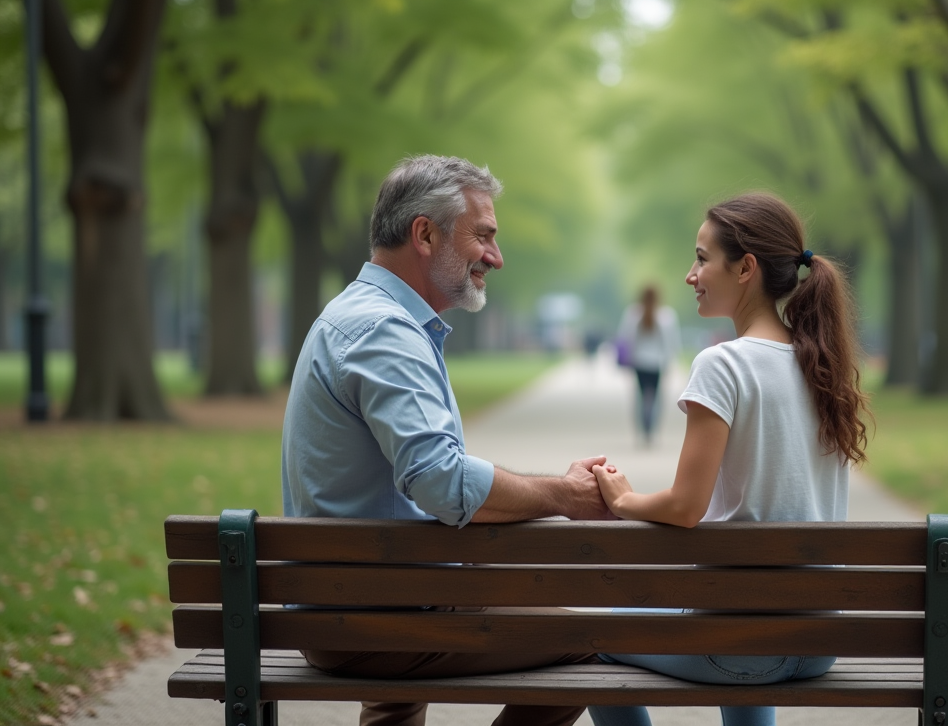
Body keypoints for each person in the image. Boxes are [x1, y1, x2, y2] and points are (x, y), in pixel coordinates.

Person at [281, 154, 610, 726]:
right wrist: (564, 496)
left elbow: (433, 476)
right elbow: (443, 483)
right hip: (374, 617)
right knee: (587, 641)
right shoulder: (384, 331)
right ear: (425, 234)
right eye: (483, 235)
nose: (496, 257)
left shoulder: (360, 316)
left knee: (399, 691)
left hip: (352, 597)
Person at [587, 192, 872, 726]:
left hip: (741, 646)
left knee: (597, 639)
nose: (689, 275)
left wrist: (624, 498)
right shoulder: (821, 367)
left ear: (745, 269)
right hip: (819, 642)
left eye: (700, 258)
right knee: (739, 618)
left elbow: (686, 507)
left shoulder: (723, 365)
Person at [616, 285, 681, 444]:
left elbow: (624, 337)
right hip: (657, 363)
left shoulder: (632, 314)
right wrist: (670, 360)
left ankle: (642, 428)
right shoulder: (667, 315)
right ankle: (651, 429)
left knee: (640, 397)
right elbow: (672, 342)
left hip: (639, 362)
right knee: (656, 398)